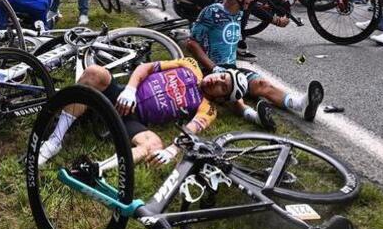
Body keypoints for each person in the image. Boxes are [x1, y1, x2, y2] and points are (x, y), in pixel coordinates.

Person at [37, 57, 248, 167]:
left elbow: (190, 131)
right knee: (94, 73)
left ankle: (99, 169)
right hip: (122, 96)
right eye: (222, 77)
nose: (217, 81)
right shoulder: (190, 65)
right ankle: (54, 142)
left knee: (154, 144)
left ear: (222, 98)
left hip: (134, 119)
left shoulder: (208, 108)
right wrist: (130, 88)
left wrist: (171, 151)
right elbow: (145, 68)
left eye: (223, 86)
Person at [186, 0, 323, 130]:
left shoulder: (239, 12)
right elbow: (192, 43)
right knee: (233, 92)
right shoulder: (212, 12)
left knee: (262, 84)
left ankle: (301, 105)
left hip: (232, 68)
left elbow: (258, 10)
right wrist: (213, 68)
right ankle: (254, 116)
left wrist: (277, 18)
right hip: (212, 71)